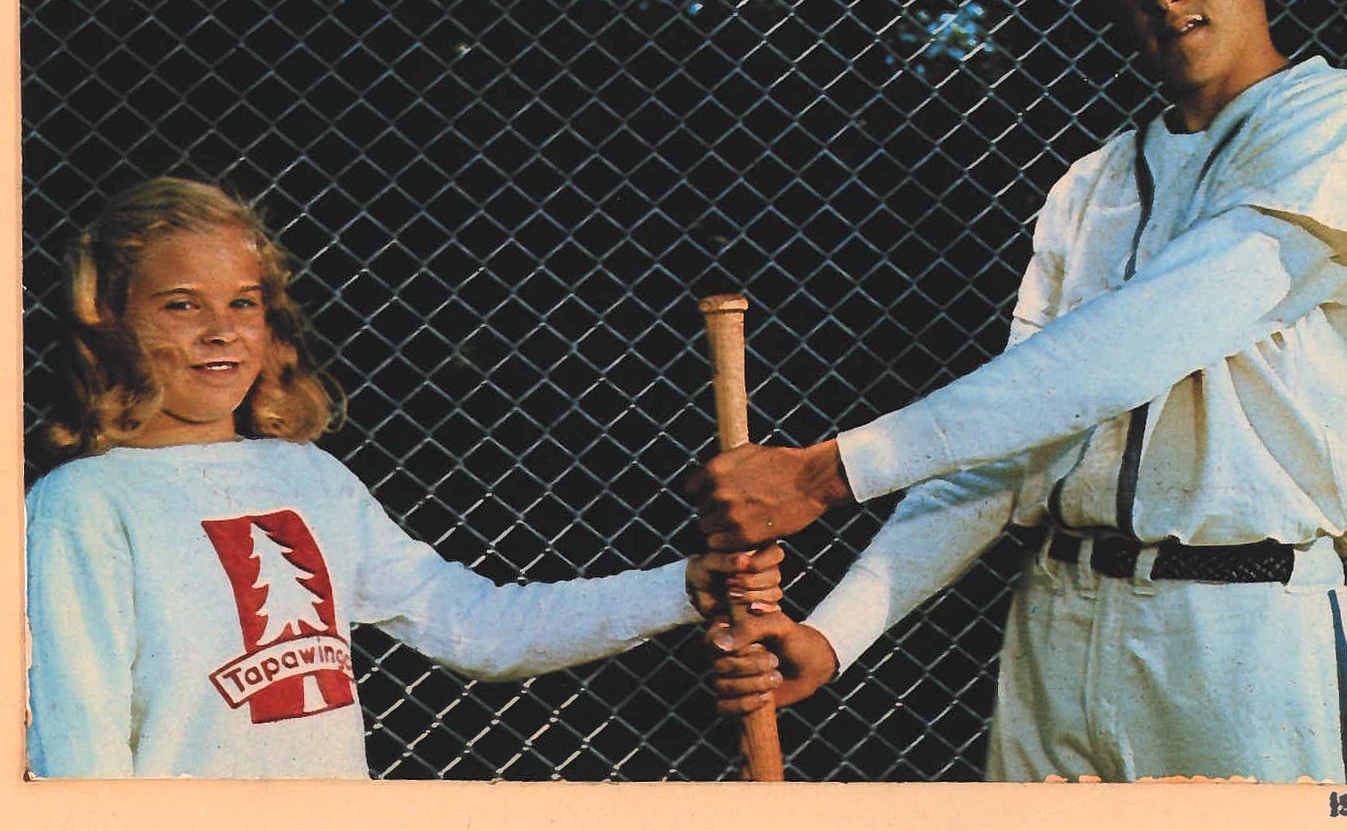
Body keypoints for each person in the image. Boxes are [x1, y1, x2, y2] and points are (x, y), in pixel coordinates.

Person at [689, 0, 1347, 783]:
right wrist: (836, 629)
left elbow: (1146, 337)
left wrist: (830, 472)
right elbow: (1015, 436)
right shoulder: (1091, 183)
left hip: (1243, 630)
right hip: (1057, 626)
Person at [25, 175, 782, 778]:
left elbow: (479, 625)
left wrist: (684, 587)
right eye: (181, 305)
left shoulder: (310, 477)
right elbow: (77, 748)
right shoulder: (82, 504)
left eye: (243, 303)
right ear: (108, 318)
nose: (221, 331)